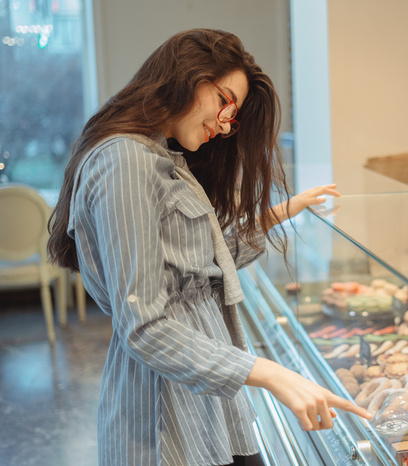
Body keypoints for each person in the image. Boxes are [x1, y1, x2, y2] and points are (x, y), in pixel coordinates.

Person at [47, 28, 371, 466]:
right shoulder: (123, 160)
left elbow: (205, 270)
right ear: (189, 76)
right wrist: (270, 374)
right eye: (225, 102)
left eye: (231, 115)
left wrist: (282, 211)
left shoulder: (161, 157)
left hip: (205, 395)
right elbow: (144, 326)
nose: (224, 125)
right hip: (164, 405)